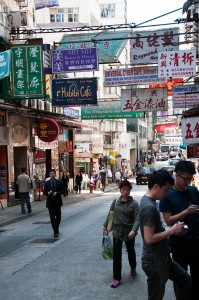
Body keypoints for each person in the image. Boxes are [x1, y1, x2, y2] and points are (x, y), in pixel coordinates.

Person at [139, 169, 191, 300]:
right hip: (155, 261)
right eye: (166, 190)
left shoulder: (148, 201)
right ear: (157, 186)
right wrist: (172, 231)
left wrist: (171, 228)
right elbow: (149, 238)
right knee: (156, 296)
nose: (167, 193)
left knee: (185, 280)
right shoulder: (149, 207)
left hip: (163, 257)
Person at [159, 161, 199, 300]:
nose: (187, 181)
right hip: (178, 243)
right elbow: (169, 220)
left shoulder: (193, 191)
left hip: (195, 240)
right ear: (177, 175)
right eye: (185, 178)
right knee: (181, 278)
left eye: (190, 178)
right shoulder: (167, 194)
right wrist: (186, 211)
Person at [103, 180, 139, 288]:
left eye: (127, 190)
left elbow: (137, 219)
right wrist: (105, 227)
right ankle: (116, 278)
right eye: (123, 190)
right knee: (117, 255)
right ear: (120, 191)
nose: (125, 192)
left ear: (130, 191)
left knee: (130, 251)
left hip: (129, 233)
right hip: (117, 232)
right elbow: (110, 215)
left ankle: (133, 267)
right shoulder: (116, 202)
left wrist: (134, 230)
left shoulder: (134, 204)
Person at [43, 169, 64, 238]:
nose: (52, 175)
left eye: (53, 173)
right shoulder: (47, 182)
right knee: (52, 218)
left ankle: (56, 227)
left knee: (58, 217)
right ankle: (55, 231)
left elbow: (63, 191)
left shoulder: (59, 182)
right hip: (50, 202)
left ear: (55, 174)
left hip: (57, 202)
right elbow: (44, 192)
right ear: (49, 175)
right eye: (50, 173)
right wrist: (48, 193)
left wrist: (57, 193)